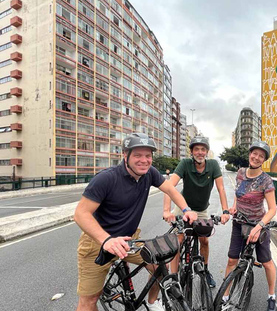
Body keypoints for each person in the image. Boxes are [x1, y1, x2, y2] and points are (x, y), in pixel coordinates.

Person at [74, 132, 197, 311]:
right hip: (98, 243)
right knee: (89, 300)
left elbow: (170, 189)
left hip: (129, 240)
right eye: (138, 155)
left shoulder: (149, 173)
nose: (144, 160)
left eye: (148, 156)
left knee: (157, 267)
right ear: (125, 155)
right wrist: (107, 240)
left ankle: (152, 303)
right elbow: (81, 214)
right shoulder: (107, 178)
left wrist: (186, 210)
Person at [163, 136, 230, 288]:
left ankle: (205, 270)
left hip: (201, 210)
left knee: (204, 240)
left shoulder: (213, 165)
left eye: (203, 149)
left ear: (207, 151)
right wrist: (167, 211)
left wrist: (225, 211)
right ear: (192, 151)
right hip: (183, 207)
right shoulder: (185, 163)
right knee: (178, 241)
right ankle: (174, 279)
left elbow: (221, 189)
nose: (200, 152)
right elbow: (169, 187)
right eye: (196, 149)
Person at [223, 141, 277, 311]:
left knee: (267, 262)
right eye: (254, 153)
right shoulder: (240, 173)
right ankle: (225, 296)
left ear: (264, 160)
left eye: (261, 156)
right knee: (232, 259)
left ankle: (272, 297)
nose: (256, 157)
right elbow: (238, 194)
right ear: (250, 154)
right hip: (239, 223)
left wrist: (260, 226)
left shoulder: (266, 180)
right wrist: (233, 207)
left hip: (258, 225)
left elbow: (272, 209)